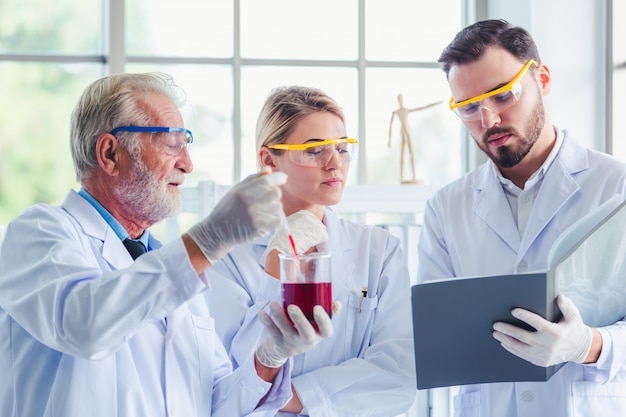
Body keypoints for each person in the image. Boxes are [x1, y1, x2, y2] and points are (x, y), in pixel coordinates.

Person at [0, 72, 336, 417]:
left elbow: (215, 405)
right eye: (172, 144)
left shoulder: (171, 266)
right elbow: (85, 324)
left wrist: (270, 357)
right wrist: (209, 239)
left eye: (187, 145)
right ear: (110, 153)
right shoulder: (38, 232)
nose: (188, 164)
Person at [417, 19, 626, 416]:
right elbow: (435, 334)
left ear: (542, 79)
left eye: (502, 96)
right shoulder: (446, 208)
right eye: (469, 107)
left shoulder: (617, 188)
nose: (488, 120)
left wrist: (588, 345)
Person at [205, 85, 416, 416]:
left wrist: (285, 396)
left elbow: (399, 377)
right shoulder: (226, 257)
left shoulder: (379, 251)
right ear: (268, 160)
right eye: (314, 151)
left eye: (342, 149)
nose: (335, 165)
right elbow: (228, 385)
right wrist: (275, 269)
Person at [388, 94, 440, 184]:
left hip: (407, 131)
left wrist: (434, 104)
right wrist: (389, 140)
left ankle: (413, 174)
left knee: (411, 152)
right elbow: (390, 126)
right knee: (402, 154)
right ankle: (402, 174)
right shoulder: (396, 112)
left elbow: (421, 108)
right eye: (399, 99)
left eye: (401, 99)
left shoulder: (406, 110)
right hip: (403, 131)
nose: (400, 101)